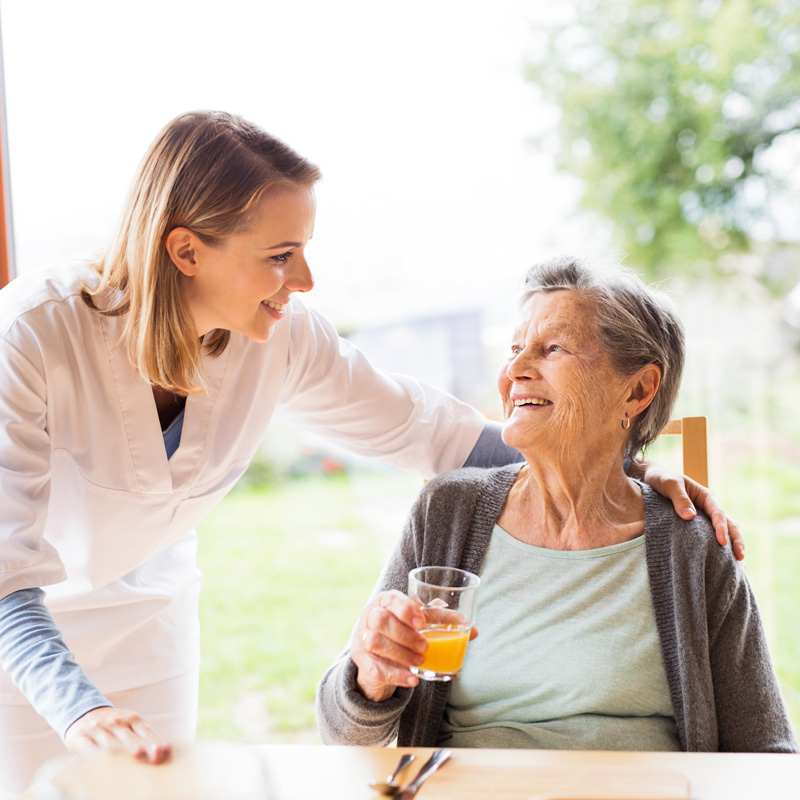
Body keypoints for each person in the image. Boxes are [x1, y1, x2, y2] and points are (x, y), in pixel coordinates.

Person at [0, 111, 739, 796]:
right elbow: (6, 574)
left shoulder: (280, 335)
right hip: (22, 639)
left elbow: (433, 434)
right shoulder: (30, 336)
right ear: (187, 250)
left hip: (149, 617)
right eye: (280, 255)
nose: (304, 280)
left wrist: (627, 470)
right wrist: (81, 710)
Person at [317, 256, 797, 753]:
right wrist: (370, 676)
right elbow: (342, 735)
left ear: (638, 391)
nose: (515, 370)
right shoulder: (446, 512)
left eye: (552, 349)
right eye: (515, 348)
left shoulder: (692, 545)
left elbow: (767, 751)